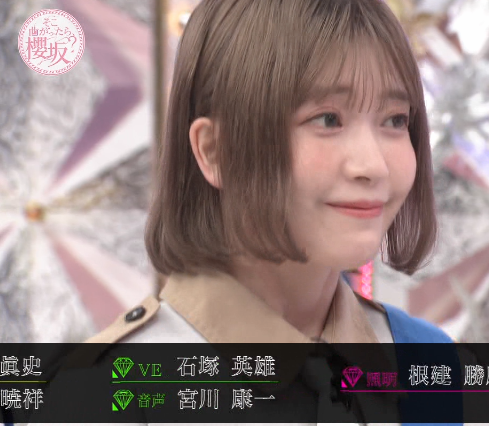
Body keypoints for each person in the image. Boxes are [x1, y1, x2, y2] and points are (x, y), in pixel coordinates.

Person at [39, 0, 461, 424]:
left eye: (395, 120)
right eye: (328, 119)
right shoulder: (103, 395)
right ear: (214, 150)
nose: (373, 165)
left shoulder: (427, 362)